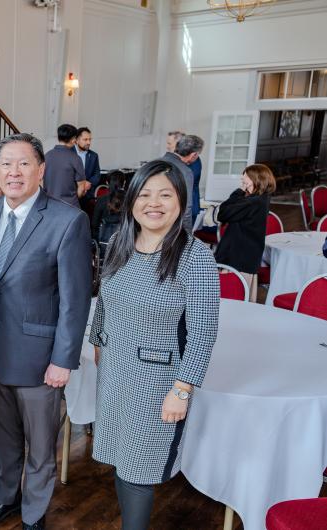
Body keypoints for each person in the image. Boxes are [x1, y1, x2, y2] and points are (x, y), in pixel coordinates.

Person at [89, 159, 219, 530]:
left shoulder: (195, 257)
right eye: (144, 194)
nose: (154, 203)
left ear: (181, 201)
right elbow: (105, 298)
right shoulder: (119, 242)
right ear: (131, 200)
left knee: (138, 470)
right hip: (115, 370)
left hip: (158, 382)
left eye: (165, 194)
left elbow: (204, 331)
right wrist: (97, 340)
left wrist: (183, 389)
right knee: (119, 458)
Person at [0, 133, 92, 530]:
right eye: (6, 164)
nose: (14, 172)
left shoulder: (68, 220)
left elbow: (76, 300)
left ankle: (34, 513)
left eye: (24, 163)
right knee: (2, 441)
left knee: (40, 447)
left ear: (41, 170)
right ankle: (6, 499)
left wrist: (63, 360)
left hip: (41, 359)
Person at [214, 164, 276, 302]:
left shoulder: (253, 202)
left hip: (238, 256)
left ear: (256, 179)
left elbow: (222, 214)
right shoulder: (261, 198)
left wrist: (238, 192)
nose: (243, 179)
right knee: (242, 295)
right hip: (246, 253)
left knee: (232, 297)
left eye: (246, 177)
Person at [161, 134, 203, 232]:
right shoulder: (185, 171)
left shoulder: (154, 163)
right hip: (174, 221)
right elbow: (186, 207)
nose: (167, 146)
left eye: (169, 143)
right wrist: (187, 235)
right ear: (194, 155)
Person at [43, 123, 88, 208]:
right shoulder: (75, 158)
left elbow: (40, 182)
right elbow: (81, 187)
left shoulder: (47, 156)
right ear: (73, 139)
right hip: (70, 206)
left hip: (49, 204)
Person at [91, 170, 126, 252]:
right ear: (124, 183)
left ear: (107, 183)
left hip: (104, 245)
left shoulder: (101, 200)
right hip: (125, 243)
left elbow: (94, 224)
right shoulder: (130, 200)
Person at [74, 127, 101, 199]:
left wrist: (87, 183)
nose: (88, 142)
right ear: (77, 140)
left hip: (87, 195)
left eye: (90, 139)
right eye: (85, 139)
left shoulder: (94, 155)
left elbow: (97, 175)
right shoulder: (69, 153)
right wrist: (80, 184)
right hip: (72, 195)